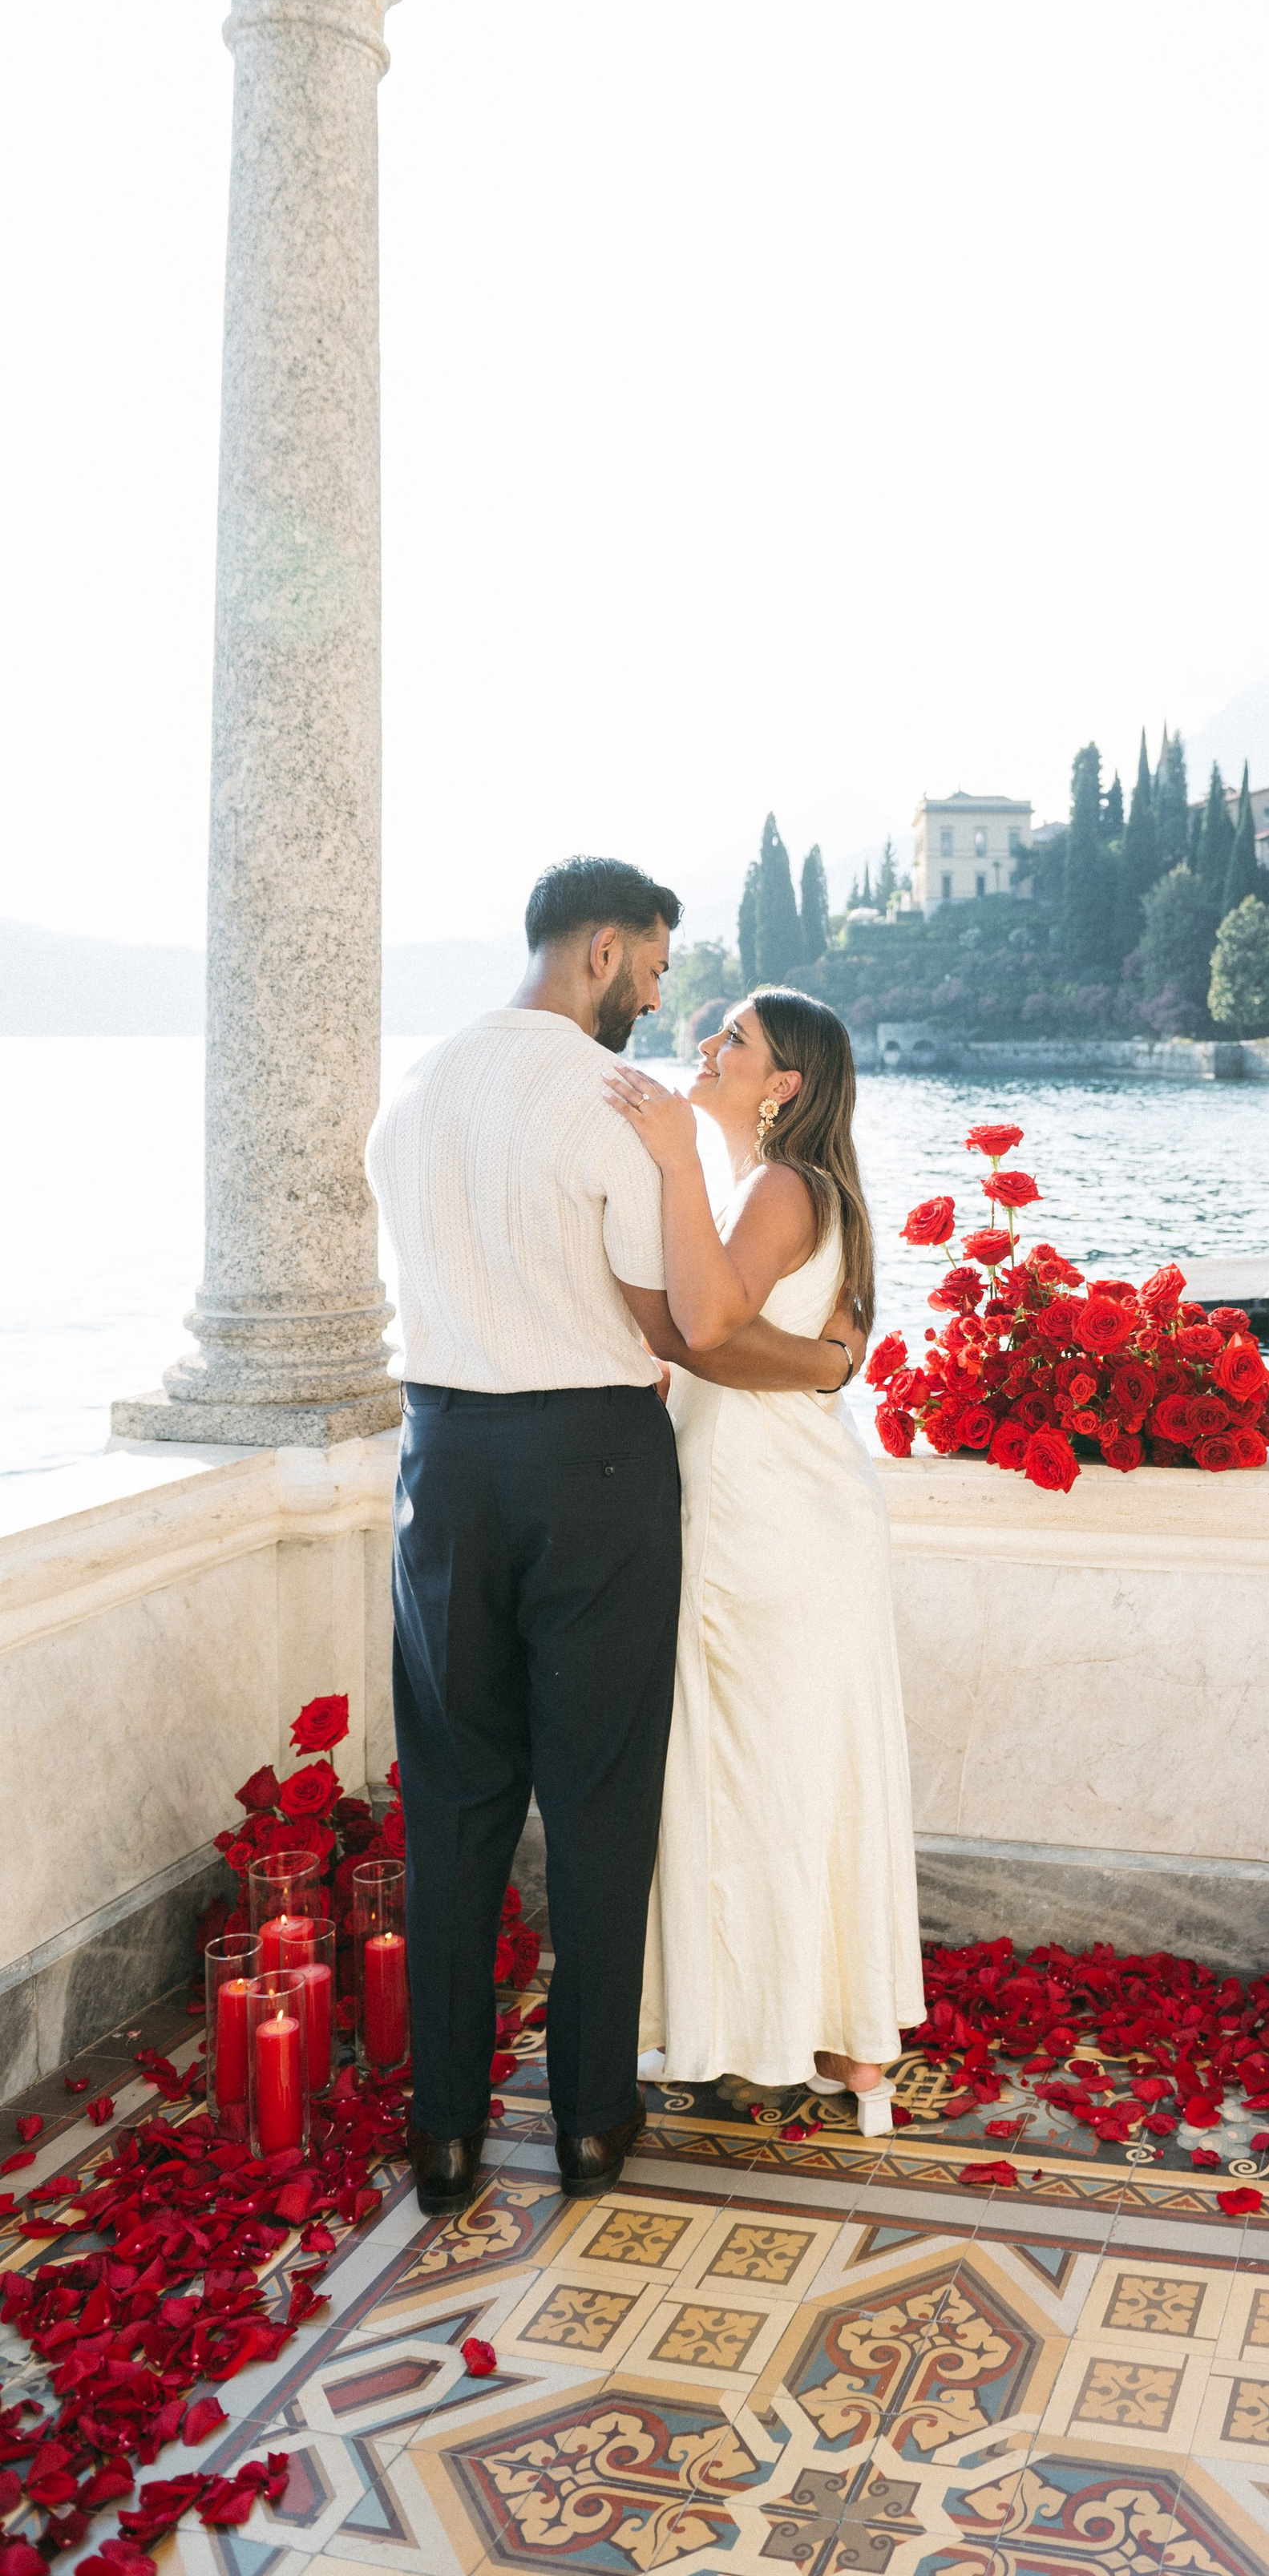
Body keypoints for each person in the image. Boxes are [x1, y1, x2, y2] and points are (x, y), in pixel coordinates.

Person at [366, 862, 861, 2216]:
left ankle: (448, 2137)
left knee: (454, 1809)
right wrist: (826, 1363)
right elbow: (673, 1327)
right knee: (599, 1802)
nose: (655, 998)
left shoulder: (409, 1101)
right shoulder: (601, 1106)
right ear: (599, 950)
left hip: (444, 1467)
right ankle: (589, 2123)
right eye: (647, 969)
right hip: (591, 1468)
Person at [604, 987, 923, 2129]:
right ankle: (830, 2047)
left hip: (767, 1521)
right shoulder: (780, 1188)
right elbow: (713, 1340)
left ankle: (788, 2035)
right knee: (784, 1773)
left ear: (783, 1084)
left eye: (733, 1037)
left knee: (760, 1776)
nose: (706, 1044)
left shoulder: (779, 1188)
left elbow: (706, 1330)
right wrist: (823, 1364)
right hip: (775, 1508)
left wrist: (671, 1159)